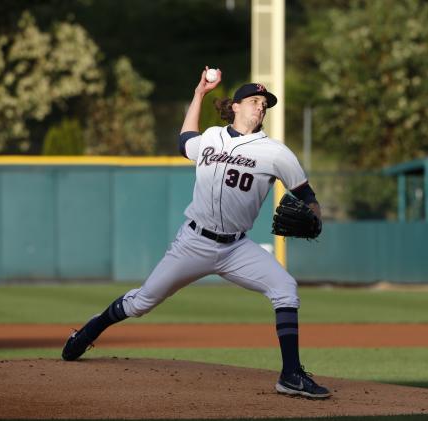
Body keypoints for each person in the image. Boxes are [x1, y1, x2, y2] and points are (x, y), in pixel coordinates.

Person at [61, 67, 331, 399]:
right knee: (142, 302)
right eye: (254, 100)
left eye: (265, 103)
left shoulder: (275, 152)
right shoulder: (212, 138)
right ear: (236, 106)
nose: (260, 107)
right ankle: (90, 330)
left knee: (285, 288)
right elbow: (184, 139)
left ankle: (290, 375)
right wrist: (199, 93)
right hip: (193, 242)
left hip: (236, 248)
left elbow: (307, 195)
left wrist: (315, 216)